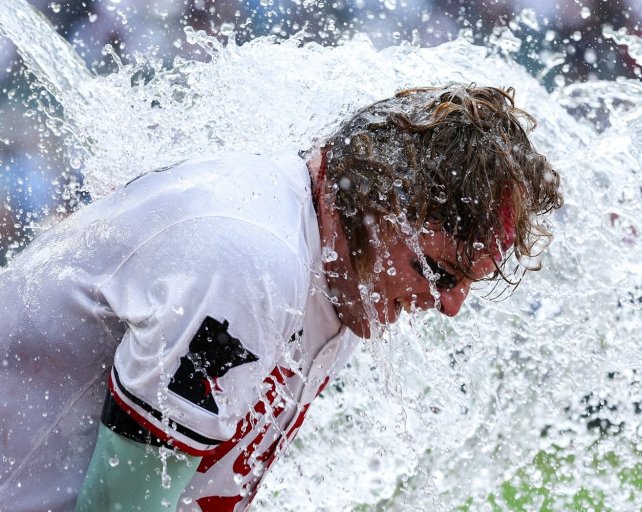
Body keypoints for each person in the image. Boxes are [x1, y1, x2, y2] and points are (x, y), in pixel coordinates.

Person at [0, 85, 562, 511]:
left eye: (469, 283)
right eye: (439, 272)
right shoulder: (253, 258)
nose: (451, 305)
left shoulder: (341, 267)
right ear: (381, 203)